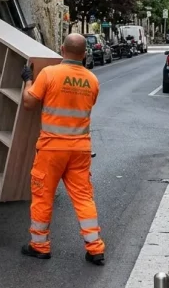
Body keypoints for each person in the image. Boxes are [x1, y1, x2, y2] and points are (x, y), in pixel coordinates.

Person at [19, 34, 105, 266]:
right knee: (83, 197)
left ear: (62, 50)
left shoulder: (49, 74)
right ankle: (95, 248)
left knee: (43, 196)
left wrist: (27, 80)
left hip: (51, 149)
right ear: (85, 54)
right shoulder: (92, 80)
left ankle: (40, 246)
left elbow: (29, 103)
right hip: (80, 149)